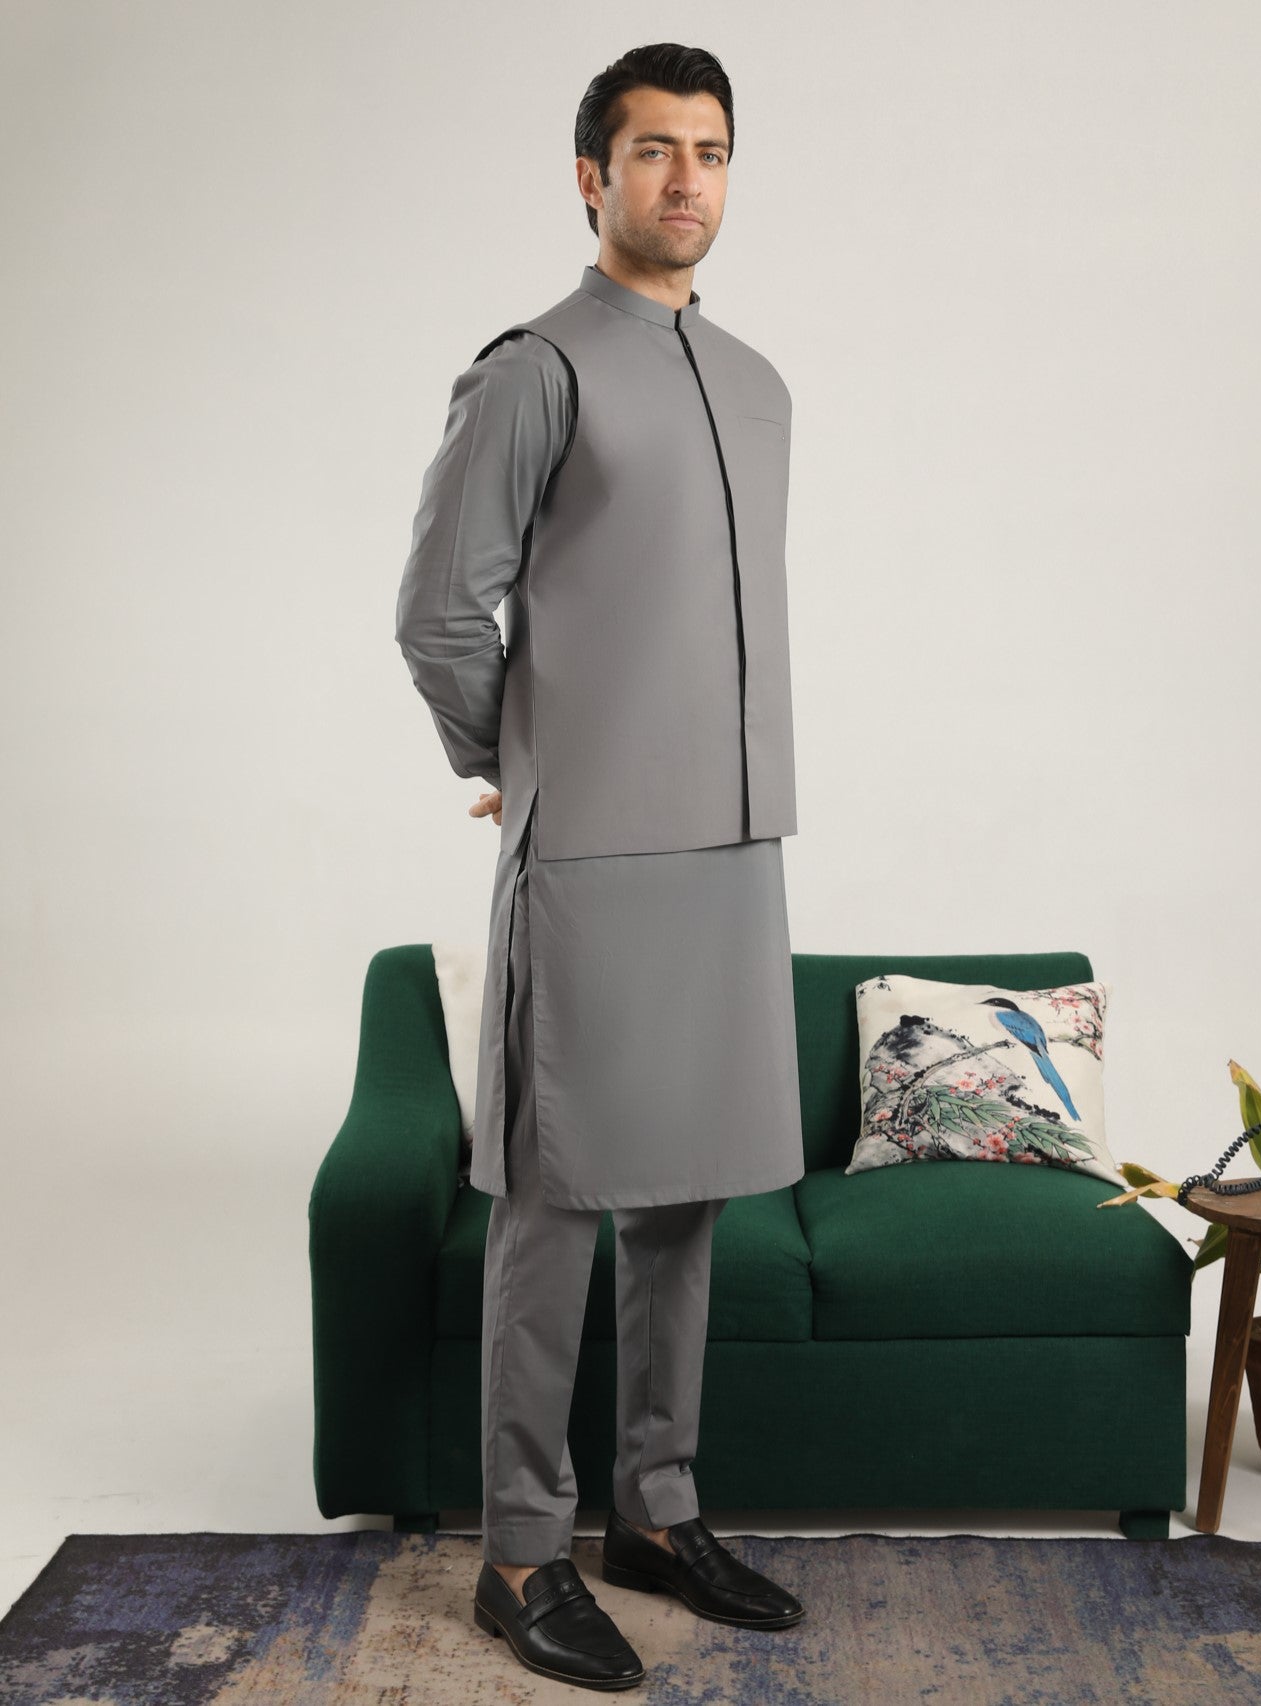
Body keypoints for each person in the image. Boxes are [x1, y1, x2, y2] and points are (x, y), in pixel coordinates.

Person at [395, 42, 806, 1691]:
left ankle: (654, 1507)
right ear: (592, 177)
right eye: (652, 150)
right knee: (552, 1201)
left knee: (686, 1191)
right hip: (588, 850)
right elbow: (440, 608)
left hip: (734, 844)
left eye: (710, 150)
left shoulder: (759, 384)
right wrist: (513, 759)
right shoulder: (533, 371)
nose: (685, 179)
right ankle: (517, 1550)